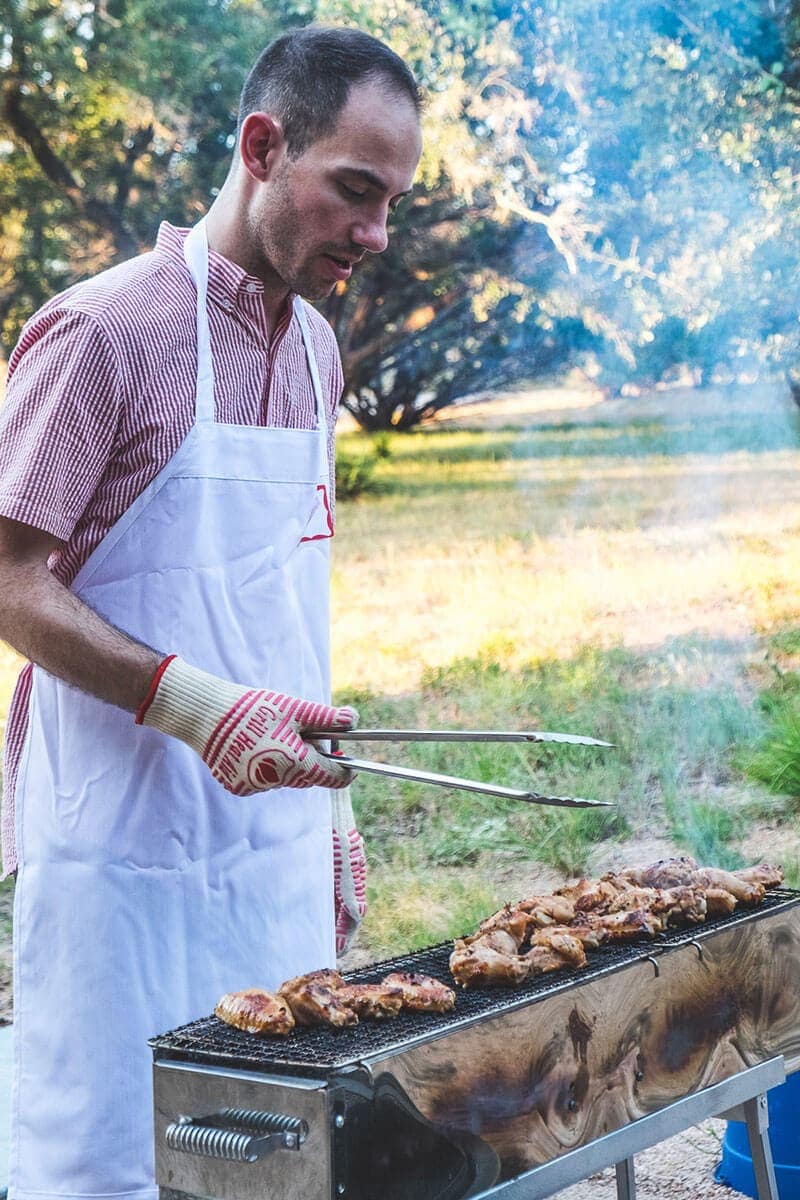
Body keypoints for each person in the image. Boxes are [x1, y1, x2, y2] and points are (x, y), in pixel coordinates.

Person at [0, 25, 422, 1200]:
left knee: (274, 1161)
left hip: (272, 847)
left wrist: (331, 813)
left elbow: (286, 594)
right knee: (120, 1168)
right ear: (260, 145)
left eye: (389, 201)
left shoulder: (319, 352)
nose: (374, 234)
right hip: (122, 862)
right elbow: (8, 576)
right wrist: (184, 702)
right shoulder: (103, 334)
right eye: (353, 190)